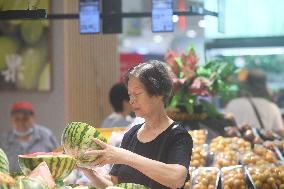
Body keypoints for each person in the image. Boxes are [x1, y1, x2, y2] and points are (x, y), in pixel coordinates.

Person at [80, 60, 193, 189]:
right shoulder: (131, 134)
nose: (132, 100)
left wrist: (124, 156)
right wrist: (88, 171)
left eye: (137, 93)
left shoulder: (178, 135)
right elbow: (115, 184)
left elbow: (176, 178)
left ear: (159, 93)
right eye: (130, 95)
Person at [0, 101, 59, 172]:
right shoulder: (4, 140)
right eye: (17, 119)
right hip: (12, 181)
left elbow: (59, 157)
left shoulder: (46, 135)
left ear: (33, 117)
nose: (21, 122)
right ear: (11, 120)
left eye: (25, 119)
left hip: (43, 181)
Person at [225, 69, 284, 134]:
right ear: (264, 85)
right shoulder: (272, 107)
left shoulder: (233, 104)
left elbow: (226, 128)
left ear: (246, 84)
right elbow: (281, 132)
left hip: (235, 143)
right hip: (262, 143)